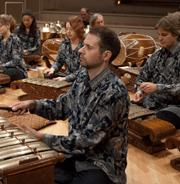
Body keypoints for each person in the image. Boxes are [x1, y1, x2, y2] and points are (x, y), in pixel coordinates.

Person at [10, 27, 130, 184]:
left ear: (106, 55)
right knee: (32, 173)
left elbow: (88, 141)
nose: (80, 50)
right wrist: (32, 105)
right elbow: (62, 107)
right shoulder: (82, 76)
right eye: (83, 45)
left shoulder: (114, 91)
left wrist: (42, 137)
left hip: (102, 165)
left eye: (88, 47)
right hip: (74, 155)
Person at [133, 14, 180, 128]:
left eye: (164, 35)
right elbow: (141, 76)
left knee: (153, 124)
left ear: (176, 35)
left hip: (177, 108)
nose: (160, 38)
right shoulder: (157, 55)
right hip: (155, 104)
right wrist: (139, 91)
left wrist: (156, 87)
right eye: (159, 35)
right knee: (123, 111)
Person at [44, 16, 85, 82]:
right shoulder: (64, 43)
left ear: (78, 29)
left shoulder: (84, 45)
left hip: (80, 78)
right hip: (66, 75)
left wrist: (65, 79)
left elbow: (82, 71)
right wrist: (52, 69)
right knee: (47, 76)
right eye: (66, 29)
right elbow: (58, 61)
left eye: (71, 29)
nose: (68, 32)